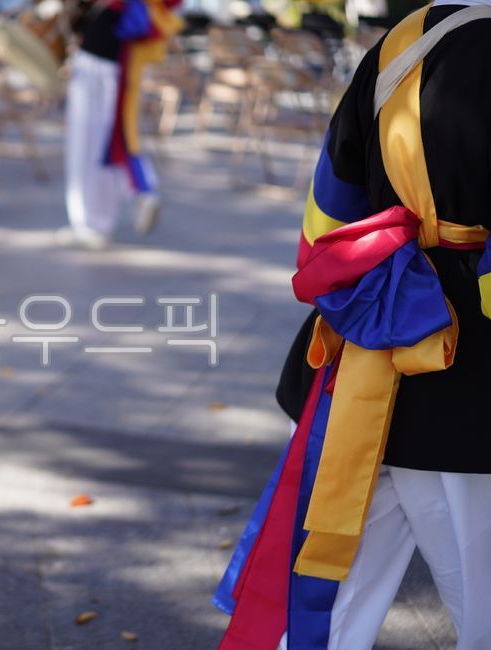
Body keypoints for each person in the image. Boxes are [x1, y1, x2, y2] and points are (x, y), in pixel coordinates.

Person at [215, 3, 491, 648]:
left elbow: (328, 211)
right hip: (468, 376)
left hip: (369, 339)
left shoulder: (415, 32)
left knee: (328, 589)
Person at [59, 0, 182, 249]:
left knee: (94, 145)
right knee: (109, 140)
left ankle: (96, 222)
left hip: (102, 63)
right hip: (110, 61)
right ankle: (139, 191)